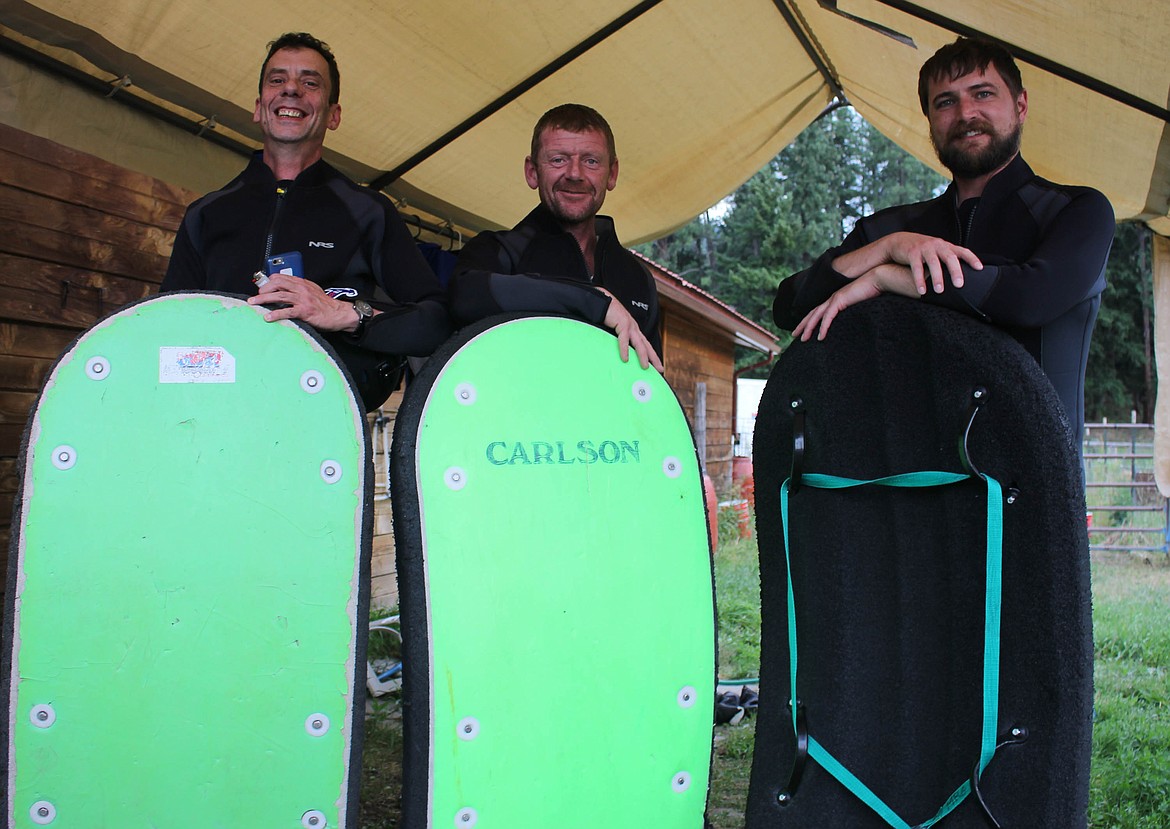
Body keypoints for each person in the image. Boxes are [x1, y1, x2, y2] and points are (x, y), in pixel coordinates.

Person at [773, 37, 1114, 437]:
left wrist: (887, 278)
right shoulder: (890, 232)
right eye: (945, 102)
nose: (966, 113)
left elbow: (1028, 298)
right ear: (930, 119)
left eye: (983, 94)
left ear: (1020, 106)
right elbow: (791, 306)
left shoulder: (1077, 211)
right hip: (912, 483)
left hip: (1035, 480)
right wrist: (887, 249)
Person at [161, 32, 451, 411]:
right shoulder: (206, 214)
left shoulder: (368, 212)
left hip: (321, 425)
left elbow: (437, 321)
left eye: (310, 83)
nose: (291, 91)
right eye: (277, 80)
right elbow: (166, 328)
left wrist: (345, 313)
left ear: (333, 115)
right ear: (258, 107)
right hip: (214, 421)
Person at [450, 103, 663, 372]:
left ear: (612, 173)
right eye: (558, 159)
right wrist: (593, 301)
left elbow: (652, 383)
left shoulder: (636, 277)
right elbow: (465, 297)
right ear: (532, 172)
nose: (575, 174)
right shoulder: (498, 251)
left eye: (591, 161)